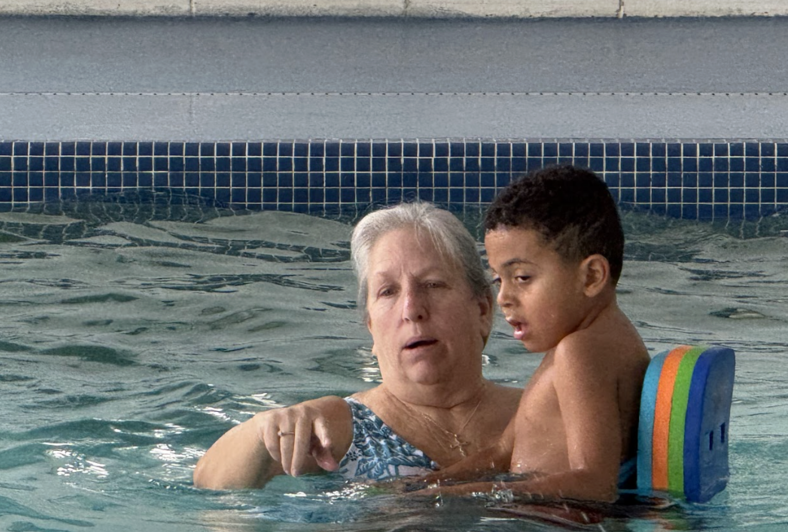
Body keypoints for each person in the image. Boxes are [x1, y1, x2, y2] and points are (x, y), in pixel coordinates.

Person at [193, 201, 522, 490]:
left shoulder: (539, 411)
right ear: (371, 327)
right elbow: (209, 481)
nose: (411, 309)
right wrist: (265, 430)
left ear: (482, 309)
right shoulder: (338, 428)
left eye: (432, 284)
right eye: (387, 292)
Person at [429, 164, 651, 503]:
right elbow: (503, 452)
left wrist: (468, 497)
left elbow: (595, 485)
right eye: (497, 279)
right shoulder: (595, 341)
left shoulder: (581, 353)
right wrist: (432, 488)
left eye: (522, 277)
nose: (503, 297)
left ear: (591, 276)